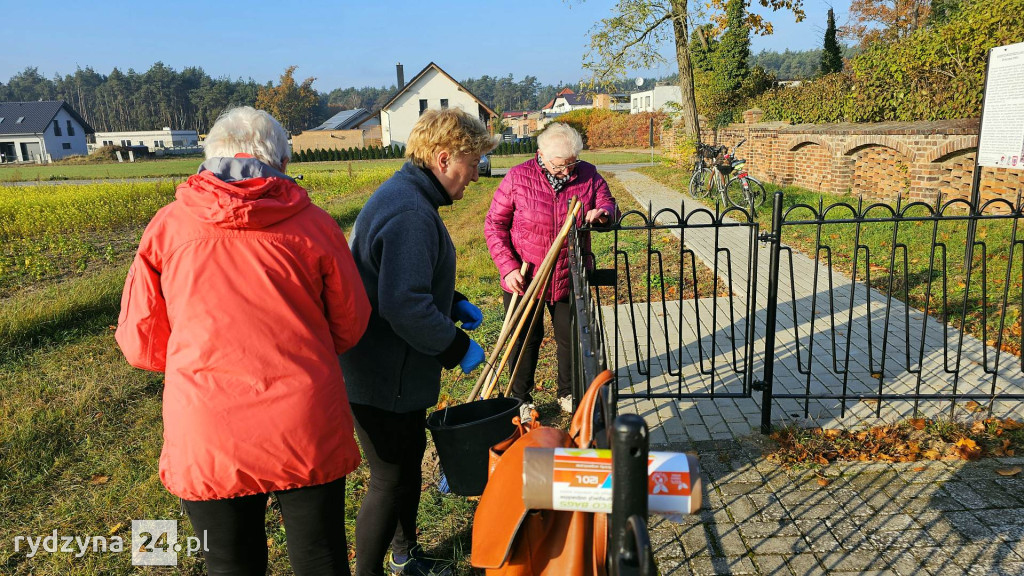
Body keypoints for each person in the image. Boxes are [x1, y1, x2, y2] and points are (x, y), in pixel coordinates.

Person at [115, 106, 370, 576]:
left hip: (208, 425)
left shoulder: (168, 227)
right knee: (319, 555)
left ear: (209, 156)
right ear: (281, 164)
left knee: (228, 560)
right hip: (304, 420)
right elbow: (351, 325)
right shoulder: (314, 225)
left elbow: (140, 344)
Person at [339, 108, 498, 576]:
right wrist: (455, 347)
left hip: (390, 370)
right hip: (383, 374)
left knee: (404, 468)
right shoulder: (410, 210)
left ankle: (406, 555)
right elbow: (404, 304)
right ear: (445, 157)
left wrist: (452, 303)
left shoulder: (408, 195)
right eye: (472, 166)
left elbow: (403, 277)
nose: (474, 177)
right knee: (390, 478)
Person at [484, 122, 616, 417]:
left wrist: (603, 214)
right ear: (540, 154)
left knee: (570, 339)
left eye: (572, 164)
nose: (567, 172)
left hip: (569, 275)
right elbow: (494, 225)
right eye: (560, 166)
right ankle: (521, 398)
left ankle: (567, 393)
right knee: (524, 340)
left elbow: (608, 203)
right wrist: (508, 268)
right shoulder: (519, 177)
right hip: (526, 277)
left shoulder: (588, 175)